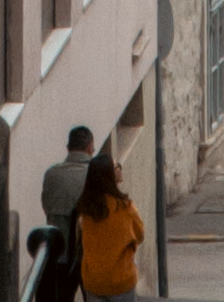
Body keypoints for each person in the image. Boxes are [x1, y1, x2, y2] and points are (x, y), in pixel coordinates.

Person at [34, 124, 97, 299]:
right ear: (90, 147)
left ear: (68, 148)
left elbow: (46, 205)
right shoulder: (95, 175)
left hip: (58, 252)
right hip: (88, 253)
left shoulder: (51, 174)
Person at [74, 147, 144, 297]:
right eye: (116, 166)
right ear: (110, 175)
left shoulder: (85, 210)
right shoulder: (125, 208)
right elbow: (140, 235)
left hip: (93, 281)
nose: (119, 169)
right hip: (121, 280)